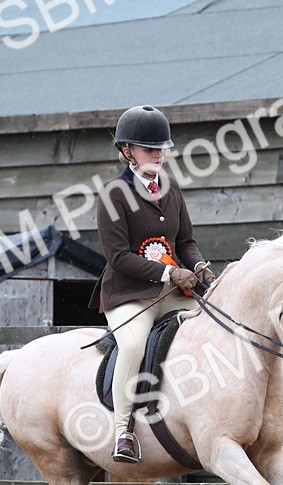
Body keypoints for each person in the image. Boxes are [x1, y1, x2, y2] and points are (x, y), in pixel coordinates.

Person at [92, 105, 214, 463]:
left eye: (161, 148)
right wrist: (168, 272)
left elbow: (185, 242)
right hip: (129, 293)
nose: (158, 155)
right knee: (132, 346)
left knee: (212, 326)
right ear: (127, 151)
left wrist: (199, 265)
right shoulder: (113, 194)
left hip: (174, 292)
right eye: (150, 149)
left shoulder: (171, 189)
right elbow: (118, 257)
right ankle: (123, 432)